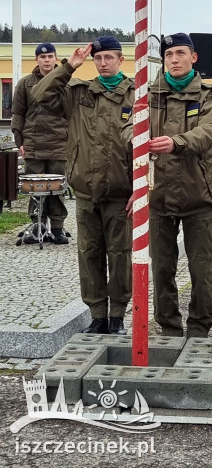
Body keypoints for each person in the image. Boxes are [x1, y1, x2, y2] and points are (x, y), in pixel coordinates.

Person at [125, 33, 212, 338]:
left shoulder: (210, 95)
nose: (174, 60)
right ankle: (169, 328)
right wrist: (137, 137)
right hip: (157, 196)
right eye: (169, 54)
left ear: (193, 58)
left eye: (181, 53)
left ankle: (199, 330)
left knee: (201, 268)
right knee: (161, 269)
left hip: (198, 195)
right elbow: (126, 129)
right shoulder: (147, 94)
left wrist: (177, 142)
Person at [32, 36, 134, 335]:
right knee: (89, 254)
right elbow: (39, 95)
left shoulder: (137, 94)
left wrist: (140, 191)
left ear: (120, 60)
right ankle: (97, 314)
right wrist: (69, 66)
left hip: (120, 191)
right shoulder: (78, 92)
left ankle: (117, 315)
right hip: (86, 190)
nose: (103, 64)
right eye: (98, 59)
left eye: (109, 58)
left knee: (119, 254)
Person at [11, 43, 69, 244]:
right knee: (35, 188)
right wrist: (20, 141)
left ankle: (58, 228)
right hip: (33, 144)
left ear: (55, 58)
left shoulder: (65, 83)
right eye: (42, 57)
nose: (46, 60)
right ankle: (38, 225)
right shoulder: (25, 83)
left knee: (57, 188)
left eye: (50, 56)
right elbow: (18, 113)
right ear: (37, 59)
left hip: (59, 144)